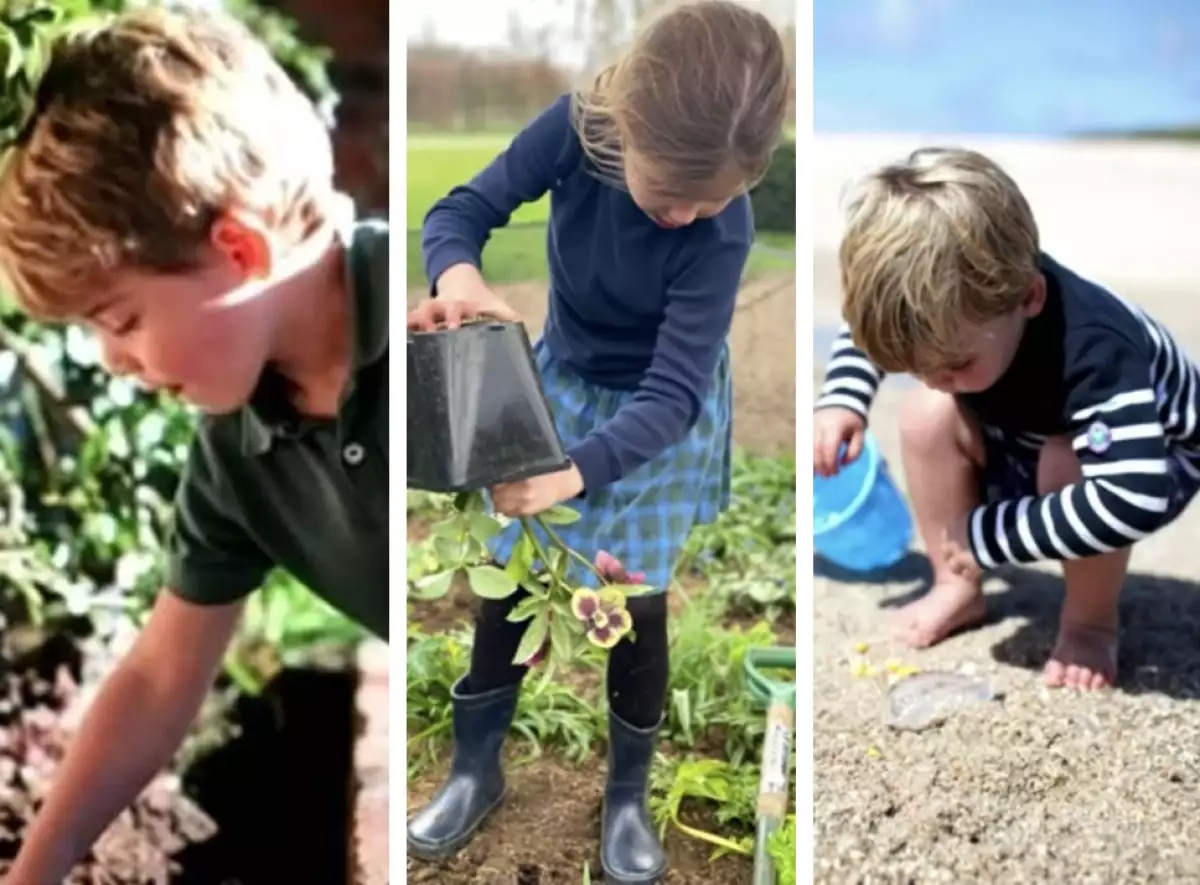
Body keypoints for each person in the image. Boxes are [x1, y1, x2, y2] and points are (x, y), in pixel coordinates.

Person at [0, 8, 387, 882]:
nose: (113, 359)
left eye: (121, 319)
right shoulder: (236, 455)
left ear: (239, 249)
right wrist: (37, 867)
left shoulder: (438, 327)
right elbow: (158, 675)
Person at [405, 1, 789, 881]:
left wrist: (570, 475)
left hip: (661, 415)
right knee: (511, 578)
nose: (688, 213)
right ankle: (474, 769)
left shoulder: (721, 228)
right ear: (625, 130)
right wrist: (460, 283)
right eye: (670, 194)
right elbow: (459, 213)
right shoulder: (577, 130)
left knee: (633, 601)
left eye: (712, 199)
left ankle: (626, 796)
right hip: (565, 382)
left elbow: (673, 395)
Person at [814, 146, 1200, 691]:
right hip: (1026, 427)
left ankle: (1089, 621)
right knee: (926, 415)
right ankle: (955, 583)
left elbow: (1130, 497)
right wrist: (843, 399)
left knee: (1066, 456)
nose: (934, 377)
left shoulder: (1094, 351)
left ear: (1029, 297)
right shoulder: (958, 321)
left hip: (1150, 459)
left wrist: (989, 536)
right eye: (916, 365)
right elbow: (874, 327)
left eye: (954, 364)